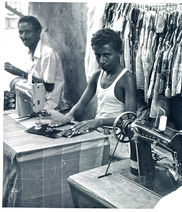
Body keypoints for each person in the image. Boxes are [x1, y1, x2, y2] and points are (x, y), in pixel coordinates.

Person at [50, 28, 137, 158]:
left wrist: (98, 122)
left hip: (119, 141)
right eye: (98, 55)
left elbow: (129, 121)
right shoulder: (97, 76)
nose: (102, 60)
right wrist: (68, 116)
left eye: (107, 55)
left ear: (119, 52)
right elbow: (81, 104)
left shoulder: (127, 79)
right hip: (99, 135)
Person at [4, 16, 65, 110]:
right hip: (36, 103)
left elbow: (49, 87)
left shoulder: (47, 54)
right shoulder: (30, 53)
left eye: (28, 32)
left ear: (38, 32)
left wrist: (18, 72)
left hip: (49, 106)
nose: (24, 36)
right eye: (21, 32)